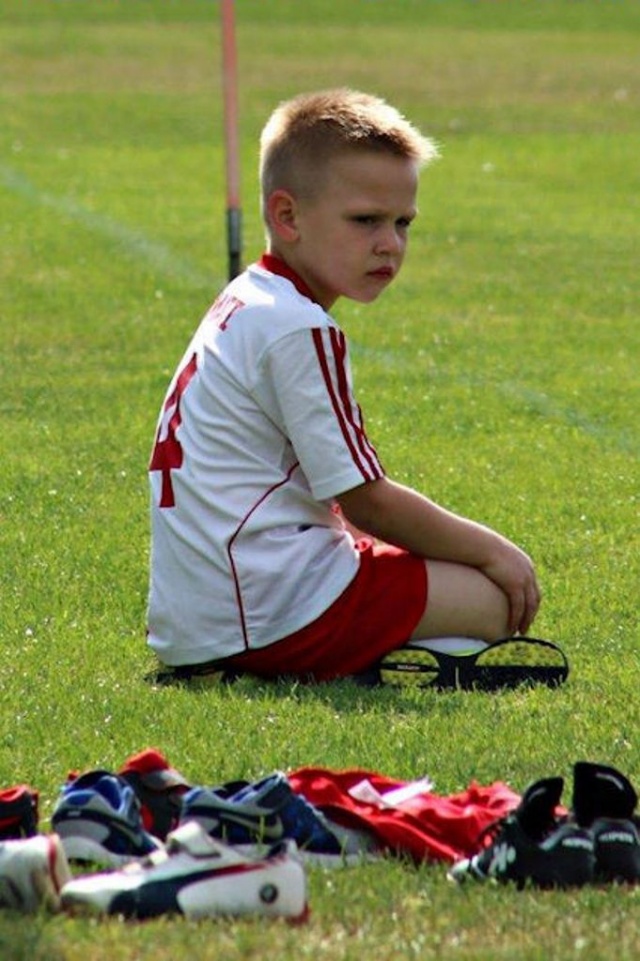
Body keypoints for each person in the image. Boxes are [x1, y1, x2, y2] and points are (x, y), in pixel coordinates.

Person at [147, 88, 541, 683]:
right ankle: (381, 657)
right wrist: (495, 549)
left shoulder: (248, 298)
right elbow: (366, 499)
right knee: (492, 596)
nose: (390, 243)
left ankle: (374, 641)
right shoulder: (299, 326)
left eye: (402, 222)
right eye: (365, 221)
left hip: (202, 616)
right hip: (273, 611)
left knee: (425, 565)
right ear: (288, 216)